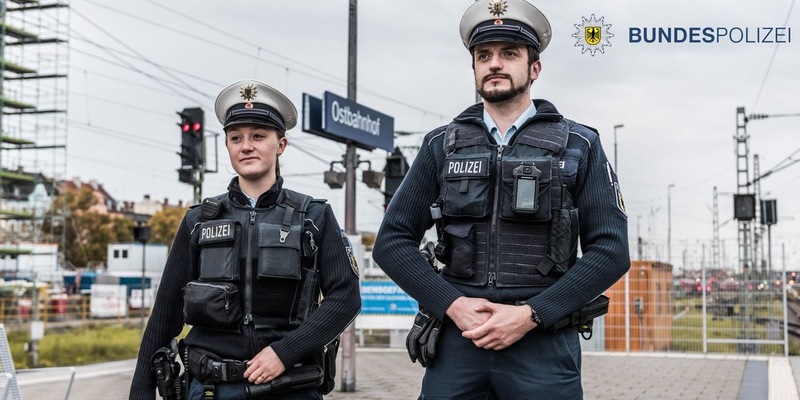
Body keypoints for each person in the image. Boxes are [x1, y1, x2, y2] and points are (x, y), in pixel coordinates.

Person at [372, 0, 630, 398]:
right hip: (458, 340)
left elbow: (611, 250)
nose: (494, 64)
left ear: (534, 68)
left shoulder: (579, 144)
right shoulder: (441, 146)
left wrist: (531, 315)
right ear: (474, 68)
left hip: (542, 345)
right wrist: (452, 304)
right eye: (484, 56)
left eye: (509, 53)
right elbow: (391, 241)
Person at [129, 79, 361, 400]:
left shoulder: (314, 216)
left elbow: (346, 297)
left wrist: (284, 352)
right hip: (211, 389)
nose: (246, 146)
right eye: (236, 137)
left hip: (290, 387)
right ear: (227, 145)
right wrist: (140, 392)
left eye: (258, 136)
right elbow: (165, 316)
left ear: (281, 144)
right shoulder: (198, 221)